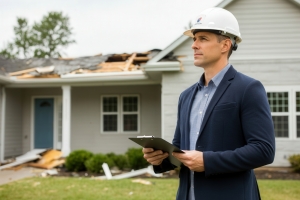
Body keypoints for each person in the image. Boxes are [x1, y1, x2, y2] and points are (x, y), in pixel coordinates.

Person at [142, 7, 275, 200]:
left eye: (203, 39)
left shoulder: (248, 89)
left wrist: (207, 161)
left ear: (225, 45)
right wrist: (162, 159)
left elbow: (263, 150)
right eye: (194, 39)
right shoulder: (186, 96)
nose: (194, 45)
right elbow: (181, 150)